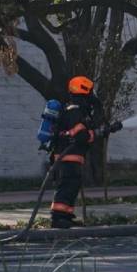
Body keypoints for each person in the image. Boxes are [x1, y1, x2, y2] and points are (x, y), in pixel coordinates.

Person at [49, 75, 105, 228]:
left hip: (71, 155)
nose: (92, 96)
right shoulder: (74, 111)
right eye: (90, 93)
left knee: (72, 185)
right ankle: (58, 218)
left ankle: (65, 216)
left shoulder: (75, 110)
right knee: (67, 185)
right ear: (84, 91)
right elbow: (81, 135)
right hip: (68, 156)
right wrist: (94, 134)